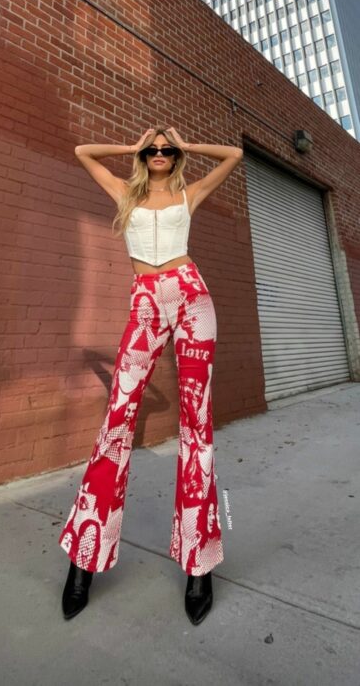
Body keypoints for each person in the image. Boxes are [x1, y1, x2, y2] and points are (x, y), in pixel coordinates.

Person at [59, 126, 243, 625]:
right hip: (145, 299)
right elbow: (81, 152)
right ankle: (84, 560)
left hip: (192, 295)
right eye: (153, 150)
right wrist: (130, 146)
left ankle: (199, 563)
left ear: (175, 154)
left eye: (166, 150)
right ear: (144, 154)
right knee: (116, 422)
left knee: (197, 427)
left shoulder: (190, 191)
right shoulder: (124, 190)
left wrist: (187, 143)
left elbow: (234, 151)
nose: (159, 155)